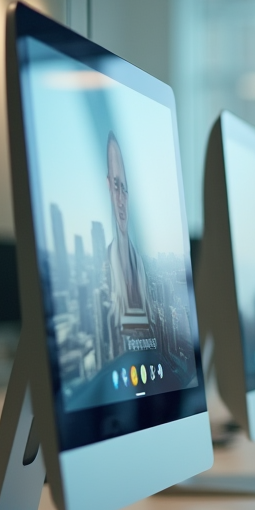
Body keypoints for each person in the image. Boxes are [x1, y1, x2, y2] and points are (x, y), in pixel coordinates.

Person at [105, 132, 151, 356]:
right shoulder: (104, 266)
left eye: (125, 188)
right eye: (116, 187)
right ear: (108, 186)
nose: (121, 200)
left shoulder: (140, 265)